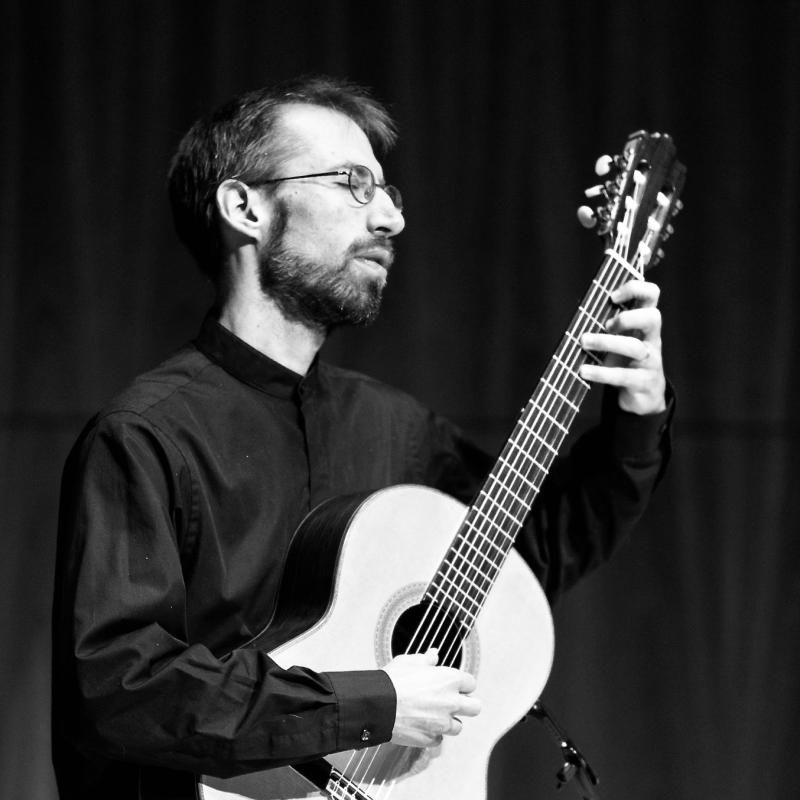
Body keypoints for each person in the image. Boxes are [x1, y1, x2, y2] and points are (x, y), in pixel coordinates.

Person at [51, 76, 673, 799]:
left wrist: (638, 412)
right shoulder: (147, 437)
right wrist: (371, 704)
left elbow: (531, 563)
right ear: (245, 207)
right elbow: (120, 686)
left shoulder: (397, 429)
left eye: (389, 192)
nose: (389, 219)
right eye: (353, 183)